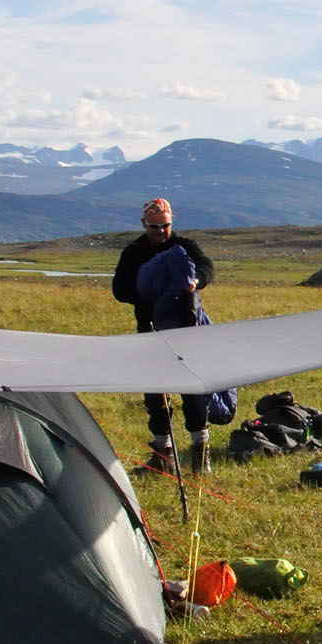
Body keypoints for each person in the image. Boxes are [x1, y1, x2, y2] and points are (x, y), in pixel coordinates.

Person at [112, 198, 217, 475]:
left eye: (165, 225)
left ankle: (200, 456)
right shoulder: (134, 252)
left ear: (172, 222)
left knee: (192, 389)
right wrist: (150, 291)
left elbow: (207, 267)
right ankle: (164, 456)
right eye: (154, 226)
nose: (160, 231)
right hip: (149, 328)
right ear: (144, 224)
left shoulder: (185, 247)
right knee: (155, 391)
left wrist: (196, 282)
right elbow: (119, 289)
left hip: (185, 328)